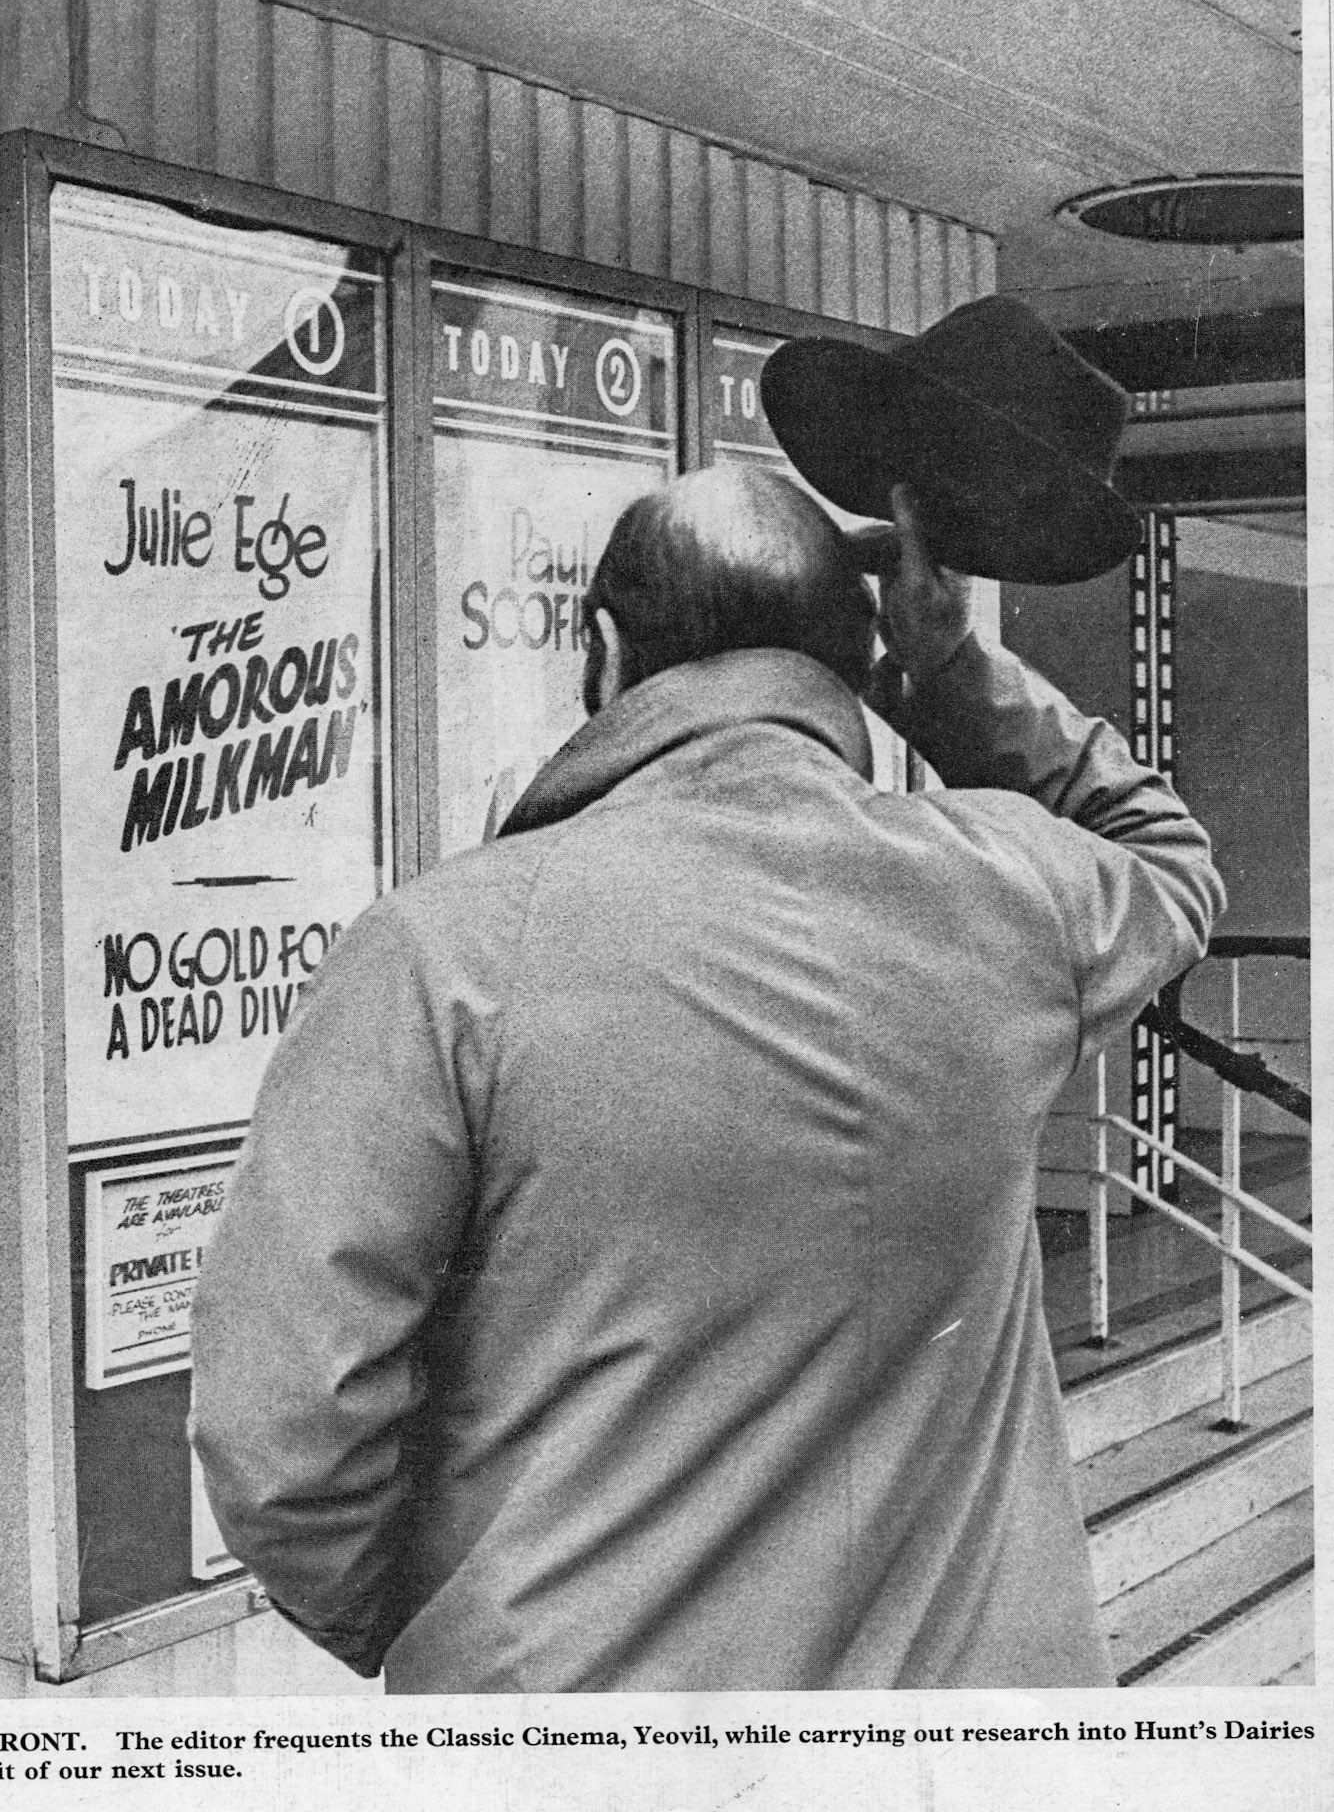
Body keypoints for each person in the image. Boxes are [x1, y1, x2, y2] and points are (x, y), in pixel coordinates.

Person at [189, 466, 1223, 1692]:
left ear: (606, 651)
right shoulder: (1011, 892)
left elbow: (282, 1440)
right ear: (851, 668)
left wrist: (454, 1628)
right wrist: (941, 673)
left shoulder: (439, 949)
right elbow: (1165, 853)